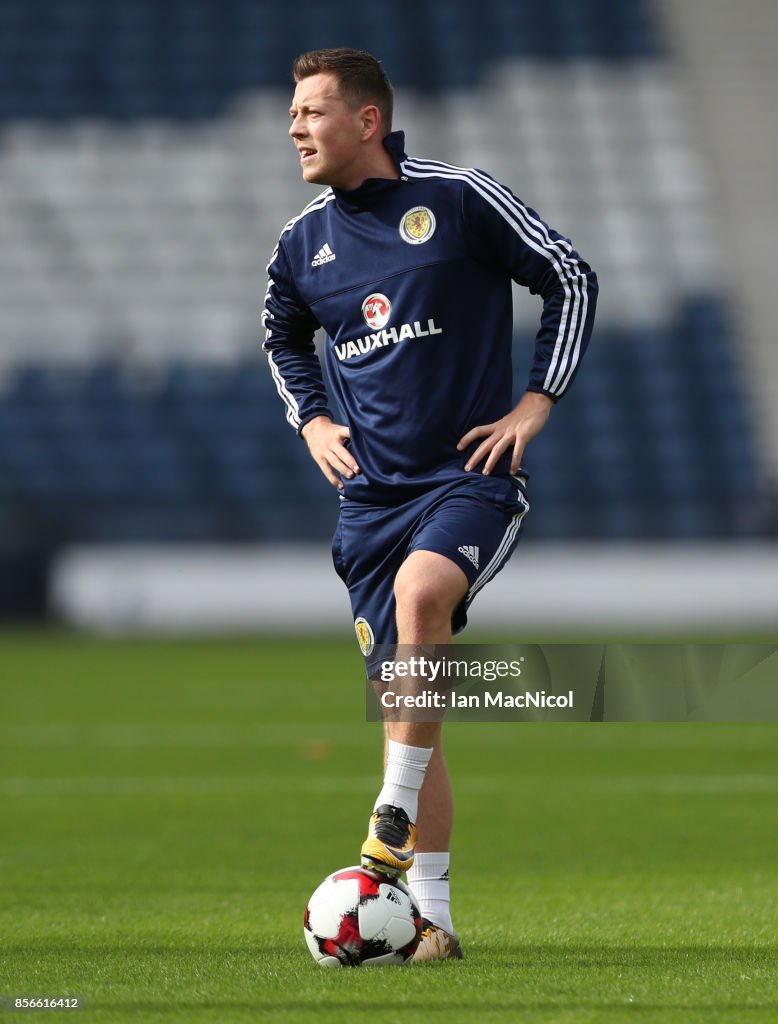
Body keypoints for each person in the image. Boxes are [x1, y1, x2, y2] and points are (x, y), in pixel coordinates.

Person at [262, 47, 597, 961]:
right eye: (292, 112)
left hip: (467, 477)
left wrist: (536, 401)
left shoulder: (457, 199)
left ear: (367, 121)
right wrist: (312, 420)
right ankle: (434, 923)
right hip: (368, 504)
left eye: (312, 111)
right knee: (415, 703)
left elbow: (568, 274)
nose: (294, 126)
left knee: (423, 601)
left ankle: (387, 821)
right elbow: (281, 334)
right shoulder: (302, 245)